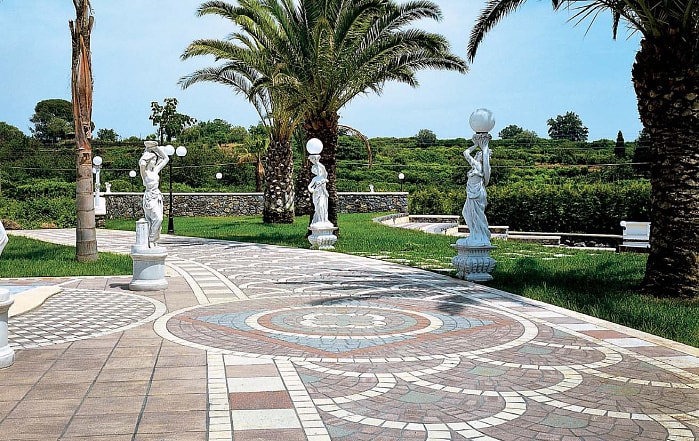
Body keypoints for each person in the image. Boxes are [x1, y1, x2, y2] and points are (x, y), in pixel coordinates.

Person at [139, 141, 169, 247]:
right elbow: (142, 164)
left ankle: (154, 239)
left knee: (158, 219)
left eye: (155, 160)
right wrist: (147, 150)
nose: (155, 162)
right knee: (157, 218)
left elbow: (166, 158)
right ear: (148, 161)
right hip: (149, 198)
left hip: (157, 197)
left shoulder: (155, 171)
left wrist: (156, 148)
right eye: (153, 160)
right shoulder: (145, 173)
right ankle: (151, 239)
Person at [462, 141, 491, 246]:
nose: (478, 155)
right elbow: (466, 153)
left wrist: (480, 146)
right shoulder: (476, 165)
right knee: (467, 213)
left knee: (477, 215)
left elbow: (466, 153)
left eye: (480, 154)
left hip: (477, 194)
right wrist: (476, 145)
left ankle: (480, 236)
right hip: (472, 193)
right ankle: (475, 235)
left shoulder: (479, 166)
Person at [307, 155, 330, 226]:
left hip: (322, 194)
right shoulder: (314, 179)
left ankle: (323, 220)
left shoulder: (323, 176)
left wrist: (317, 162)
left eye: (317, 169)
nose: (316, 171)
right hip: (316, 194)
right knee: (317, 208)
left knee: (321, 206)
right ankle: (319, 220)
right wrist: (312, 190)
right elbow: (309, 186)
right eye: (314, 170)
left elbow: (323, 168)